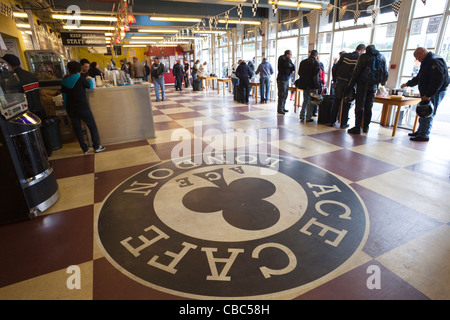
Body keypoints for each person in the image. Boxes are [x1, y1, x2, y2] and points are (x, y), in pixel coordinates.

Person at [1, 54, 52, 156]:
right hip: (39, 107)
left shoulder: (13, 78)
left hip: (26, 112)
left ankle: (38, 154)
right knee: (43, 131)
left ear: (9, 65)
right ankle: (48, 151)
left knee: (31, 137)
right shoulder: (31, 75)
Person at [401, 47, 449, 141]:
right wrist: (408, 84)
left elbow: (438, 80)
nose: (417, 60)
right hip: (428, 93)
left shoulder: (434, 61)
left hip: (434, 92)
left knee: (427, 112)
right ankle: (420, 131)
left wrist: (429, 94)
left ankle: (424, 134)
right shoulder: (427, 62)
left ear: (422, 53)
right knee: (423, 111)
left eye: (416, 57)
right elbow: (420, 77)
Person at [61, 61, 105, 154]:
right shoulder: (81, 78)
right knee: (91, 126)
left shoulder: (64, 81)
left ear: (69, 69)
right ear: (79, 69)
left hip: (71, 108)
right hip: (82, 107)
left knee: (77, 128)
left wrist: (67, 108)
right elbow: (91, 86)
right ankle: (96, 147)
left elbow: (64, 96)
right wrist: (89, 78)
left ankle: (84, 148)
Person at [347, 44, 388, 134]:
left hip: (362, 85)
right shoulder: (381, 57)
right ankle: (366, 127)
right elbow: (385, 72)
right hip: (374, 86)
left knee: (359, 107)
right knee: (369, 107)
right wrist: (382, 84)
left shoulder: (363, 57)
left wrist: (351, 85)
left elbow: (356, 72)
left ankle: (357, 127)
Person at [329, 44, 366, 128]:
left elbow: (334, 68)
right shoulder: (359, 58)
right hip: (349, 84)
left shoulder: (345, 55)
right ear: (362, 50)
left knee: (336, 102)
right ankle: (343, 123)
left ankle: (332, 121)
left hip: (339, 82)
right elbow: (358, 73)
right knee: (346, 103)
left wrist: (335, 80)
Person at [297, 50, 321, 122]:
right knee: (312, 101)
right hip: (312, 85)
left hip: (304, 84)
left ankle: (302, 115)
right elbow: (316, 76)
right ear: (316, 55)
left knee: (305, 100)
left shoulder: (303, 62)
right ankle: (308, 117)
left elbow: (299, 73)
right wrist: (317, 86)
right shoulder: (316, 63)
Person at [277, 50, 296, 114]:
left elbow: (293, 66)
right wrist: (291, 65)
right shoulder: (282, 58)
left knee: (285, 94)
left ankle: (283, 107)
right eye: (290, 55)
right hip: (281, 79)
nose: (291, 56)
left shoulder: (288, 60)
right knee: (282, 94)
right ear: (287, 54)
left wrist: (291, 66)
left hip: (287, 78)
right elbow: (287, 65)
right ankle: (280, 109)